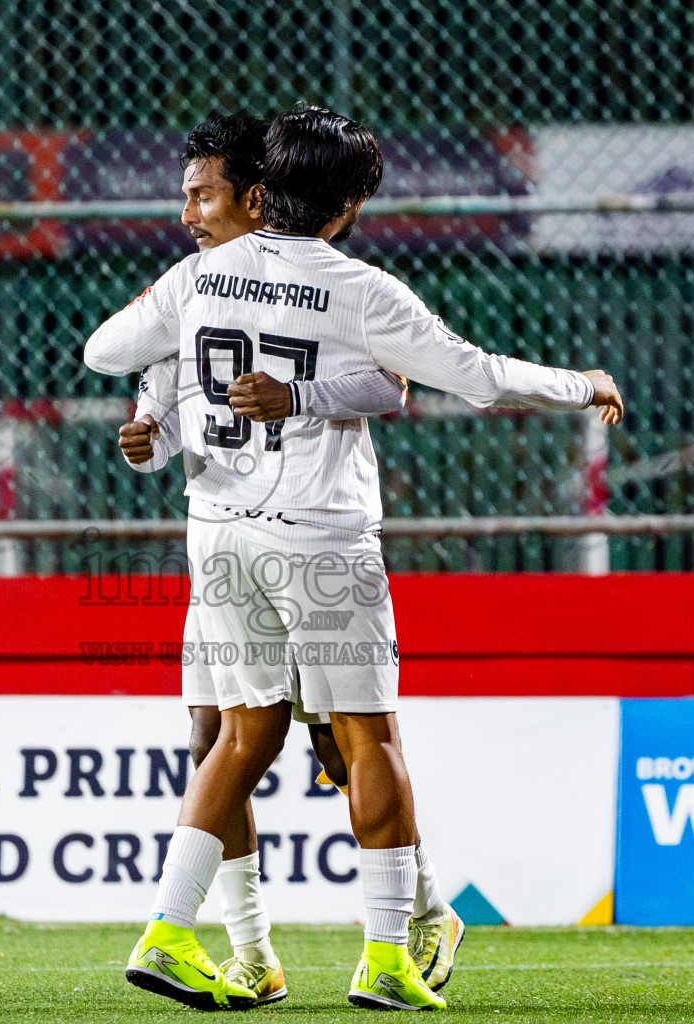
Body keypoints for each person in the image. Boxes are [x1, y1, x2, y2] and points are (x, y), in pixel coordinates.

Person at [85, 106, 624, 1011]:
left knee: (236, 734)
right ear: (352, 202)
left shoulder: (199, 275)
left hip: (220, 537)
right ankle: (383, 953)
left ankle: (174, 930)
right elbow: (478, 377)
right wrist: (584, 385)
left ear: (264, 191)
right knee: (363, 735)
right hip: (321, 537)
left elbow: (106, 350)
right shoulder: (362, 290)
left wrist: (179, 377)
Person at [119, 113, 458, 1006]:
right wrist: (152, 431)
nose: (189, 211)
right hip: (230, 538)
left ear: (258, 197)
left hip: (311, 537)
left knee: (344, 749)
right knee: (217, 737)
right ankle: (255, 952)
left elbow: (390, 382)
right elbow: (151, 398)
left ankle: (421, 910)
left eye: (205, 194)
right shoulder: (196, 288)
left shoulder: (309, 279)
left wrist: (300, 393)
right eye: (187, 194)